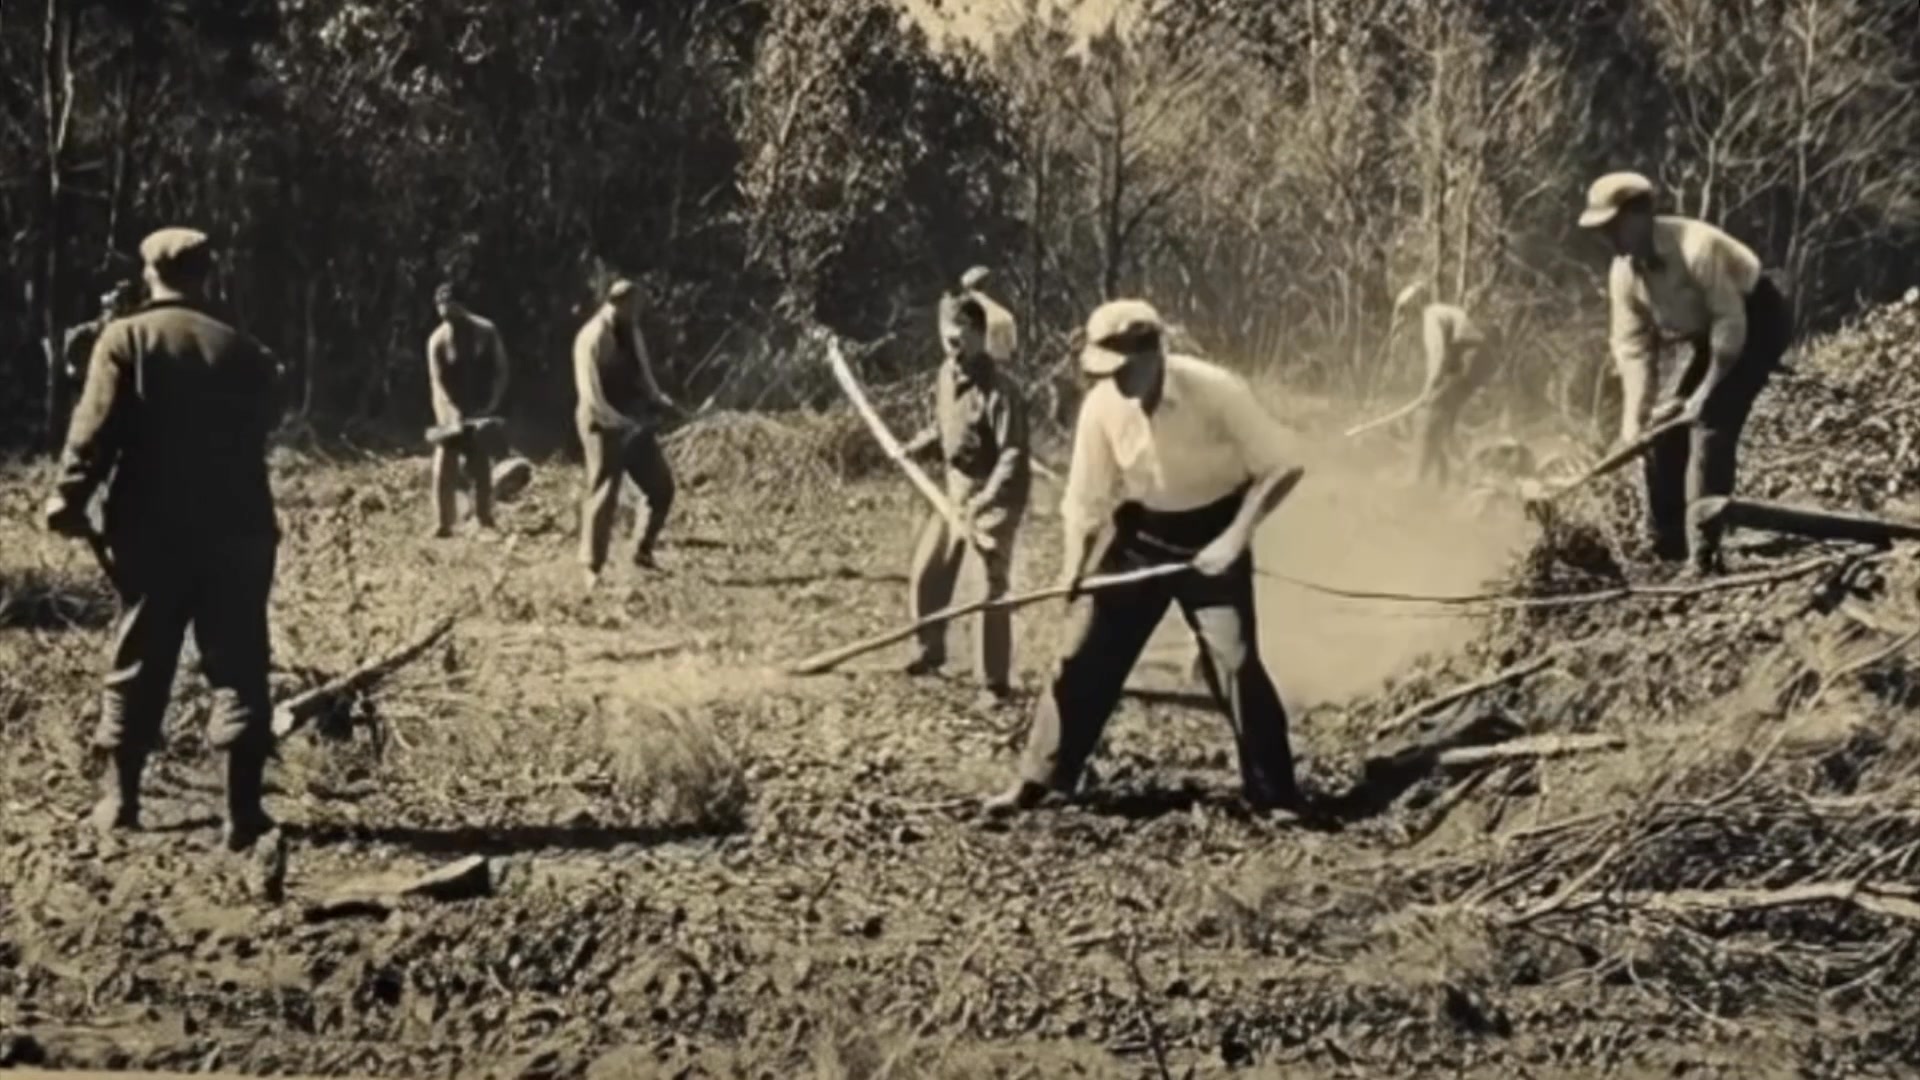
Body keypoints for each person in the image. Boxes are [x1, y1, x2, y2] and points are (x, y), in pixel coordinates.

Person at [986, 299, 1307, 816]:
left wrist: (1235, 539)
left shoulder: (1216, 390)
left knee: (1234, 659)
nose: (1115, 382)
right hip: (1140, 534)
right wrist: (1074, 566)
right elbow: (1085, 500)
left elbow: (1284, 464)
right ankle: (1041, 781)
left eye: (1125, 369)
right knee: (1083, 653)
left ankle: (1275, 793)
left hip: (1214, 533)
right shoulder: (1101, 406)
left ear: (1157, 351)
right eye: (1104, 372)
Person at [41, 227, 284, 850]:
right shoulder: (248, 351)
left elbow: (94, 431)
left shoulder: (124, 340)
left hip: (153, 528)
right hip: (240, 526)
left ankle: (121, 804)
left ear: (149, 274)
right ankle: (243, 814)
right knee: (238, 660)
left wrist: (67, 497)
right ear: (208, 275)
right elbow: (263, 428)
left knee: (141, 653)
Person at [1578, 171, 1794, 574]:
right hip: (1706, 336)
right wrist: (1634, 420)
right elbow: (1634, 349)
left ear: (1642, 215)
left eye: (1614, 226)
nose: (1608, 238)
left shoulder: (1697, 246)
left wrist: (1705, 392)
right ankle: (1666, 547)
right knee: (1662, 431)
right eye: (1601, 231)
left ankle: (1705, 551)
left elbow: (1731, 328)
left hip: (1757, 320)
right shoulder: (1623, 273)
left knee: (1710, 423)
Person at [900, 284, 1031, 708]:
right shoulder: (945, 375)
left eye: (961, 340)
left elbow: (1013, 454)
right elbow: (945, 429)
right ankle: (929, 650)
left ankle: (994, 683)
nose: (953, 349)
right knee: (928, 568)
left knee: (989, 587)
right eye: (947, 340)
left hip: (996, 495)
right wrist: (918, 445)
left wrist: (986, 501)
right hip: (956, 490)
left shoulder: (1001, 391)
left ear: (978, 335)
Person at [574, 278, 677, 586]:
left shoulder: (631, 330)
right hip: (600, 422)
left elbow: (642, 372)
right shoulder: (592, 337)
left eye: (639, 306)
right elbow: (591, 394)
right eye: (632, 305)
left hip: (633, 419)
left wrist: (658, 399)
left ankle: (642, 553)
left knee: (661, 487)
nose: (637, 311)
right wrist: (619, 423)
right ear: (615, 301)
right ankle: (591, 568)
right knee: (604, 492)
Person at [425, 283, 511, 538]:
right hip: (449, 406)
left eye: (451, 306)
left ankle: (484, 518)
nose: (446, 312)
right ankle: (443, 523)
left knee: (480, 460)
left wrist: (493, 403)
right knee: (445, 461)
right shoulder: (437, 340)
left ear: (462, 306)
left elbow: (501, 370)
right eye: (441, 306)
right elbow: (437, 382)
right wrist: (452, 416)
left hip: (480, 404)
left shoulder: (486, 331)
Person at [1414, 302, 1493, 488]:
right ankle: (1448, 480)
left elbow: (1438, 355)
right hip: (1480, 359)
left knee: (1430, 415)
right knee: (1443, 422)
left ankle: (1420, 478)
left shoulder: (1430, 317)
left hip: (1473, 359)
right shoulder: (1442, 313)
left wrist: (1429, 389)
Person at [61, 281, 141, 387]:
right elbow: (76, 368)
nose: (124, 309)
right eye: (119, 304)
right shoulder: (84, 335)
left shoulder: (138, 335)